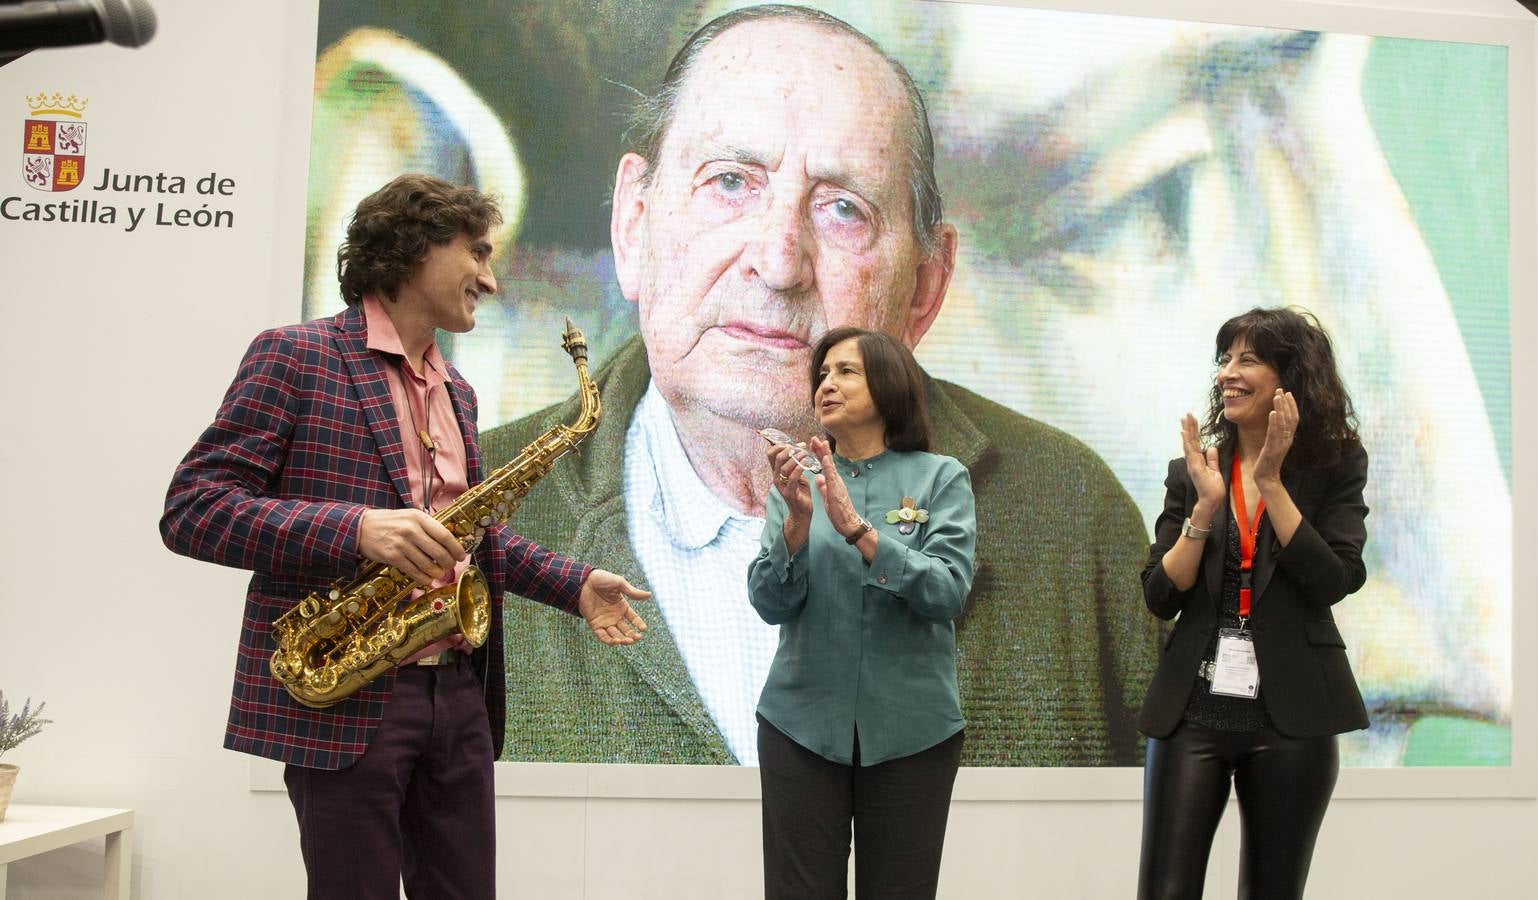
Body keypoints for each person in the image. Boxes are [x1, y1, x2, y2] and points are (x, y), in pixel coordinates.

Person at [482, 2, 1157, 769]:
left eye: (843, 209)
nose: (778, 261)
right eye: (730, 181)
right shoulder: (448, 511)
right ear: (634, 224)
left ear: (923, 289)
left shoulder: (1072, 515)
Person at [159, 174, 651, 899]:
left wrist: (573, 585)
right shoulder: (295, 357)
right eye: (476, 252)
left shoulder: (458, 391)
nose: (489, 275)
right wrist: (356, 530)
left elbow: (470, 535)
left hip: (458, 694)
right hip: (350, 694)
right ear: (414, 249)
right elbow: (192, 508)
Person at [1136, 307, 1370, 899]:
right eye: (1225, 359)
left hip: (1292, 716)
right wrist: (1205, 509)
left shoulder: (1335, 466)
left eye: (1248, 359)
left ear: (1290, 379)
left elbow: (1333, 579)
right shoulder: (1193, 471)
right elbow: (1161, 595)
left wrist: (1271, 482)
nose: (1227, 374)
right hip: (1192, 712)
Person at [750, 327, 974, 899]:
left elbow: (947, 591)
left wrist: (859, 531)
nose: (828, 382)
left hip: (912, 732)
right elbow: (769, 603)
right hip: (800, 727)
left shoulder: (939, 476)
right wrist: (797, 529)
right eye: (822, 373)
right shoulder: (795, 482)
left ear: (889, 383)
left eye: (846, 371)